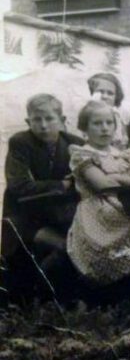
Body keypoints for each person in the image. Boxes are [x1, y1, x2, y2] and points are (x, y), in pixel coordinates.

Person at [66, 101, 130, 304]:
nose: (105, 128)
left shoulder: (123, 154)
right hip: (100, 211)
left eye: (109, 123)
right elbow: (104, 184)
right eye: (97, 123)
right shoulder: (83, 154)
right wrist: (124, 179)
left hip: (129, 204)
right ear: (84, 128)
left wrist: (123, 178)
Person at [2, 94, 84, 299]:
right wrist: (61, 184)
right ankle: (34, 293)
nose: (44, 125)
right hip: (26, 217)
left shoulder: (74, 144)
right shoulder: (20, 142)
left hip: (61, 216)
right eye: (37, 120)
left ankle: (53, 296)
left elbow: (83, 182)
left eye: (49, 118)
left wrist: (72, 184)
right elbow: (18, 185)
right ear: (28, 121)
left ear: (62, 120)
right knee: (64, 247)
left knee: (81, 247)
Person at [87, 72, 128, 148]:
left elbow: (121, 141)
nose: (105, 97)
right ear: (91, 93)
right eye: (100, 92)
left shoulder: (117, 117)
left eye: (110, 93)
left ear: (116, 97)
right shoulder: (86, 115)